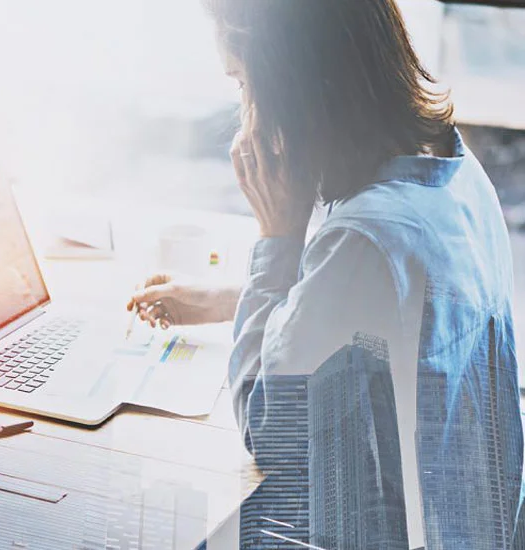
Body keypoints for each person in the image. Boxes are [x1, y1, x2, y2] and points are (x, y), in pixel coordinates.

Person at [128, 1, 524, 548]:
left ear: (297, 86)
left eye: (244, 85)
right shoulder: (455, 176)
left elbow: (270, 430)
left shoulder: (364, 239)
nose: (244, 117)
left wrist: (278, 237)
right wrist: (233, 298)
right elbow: (380, 309)